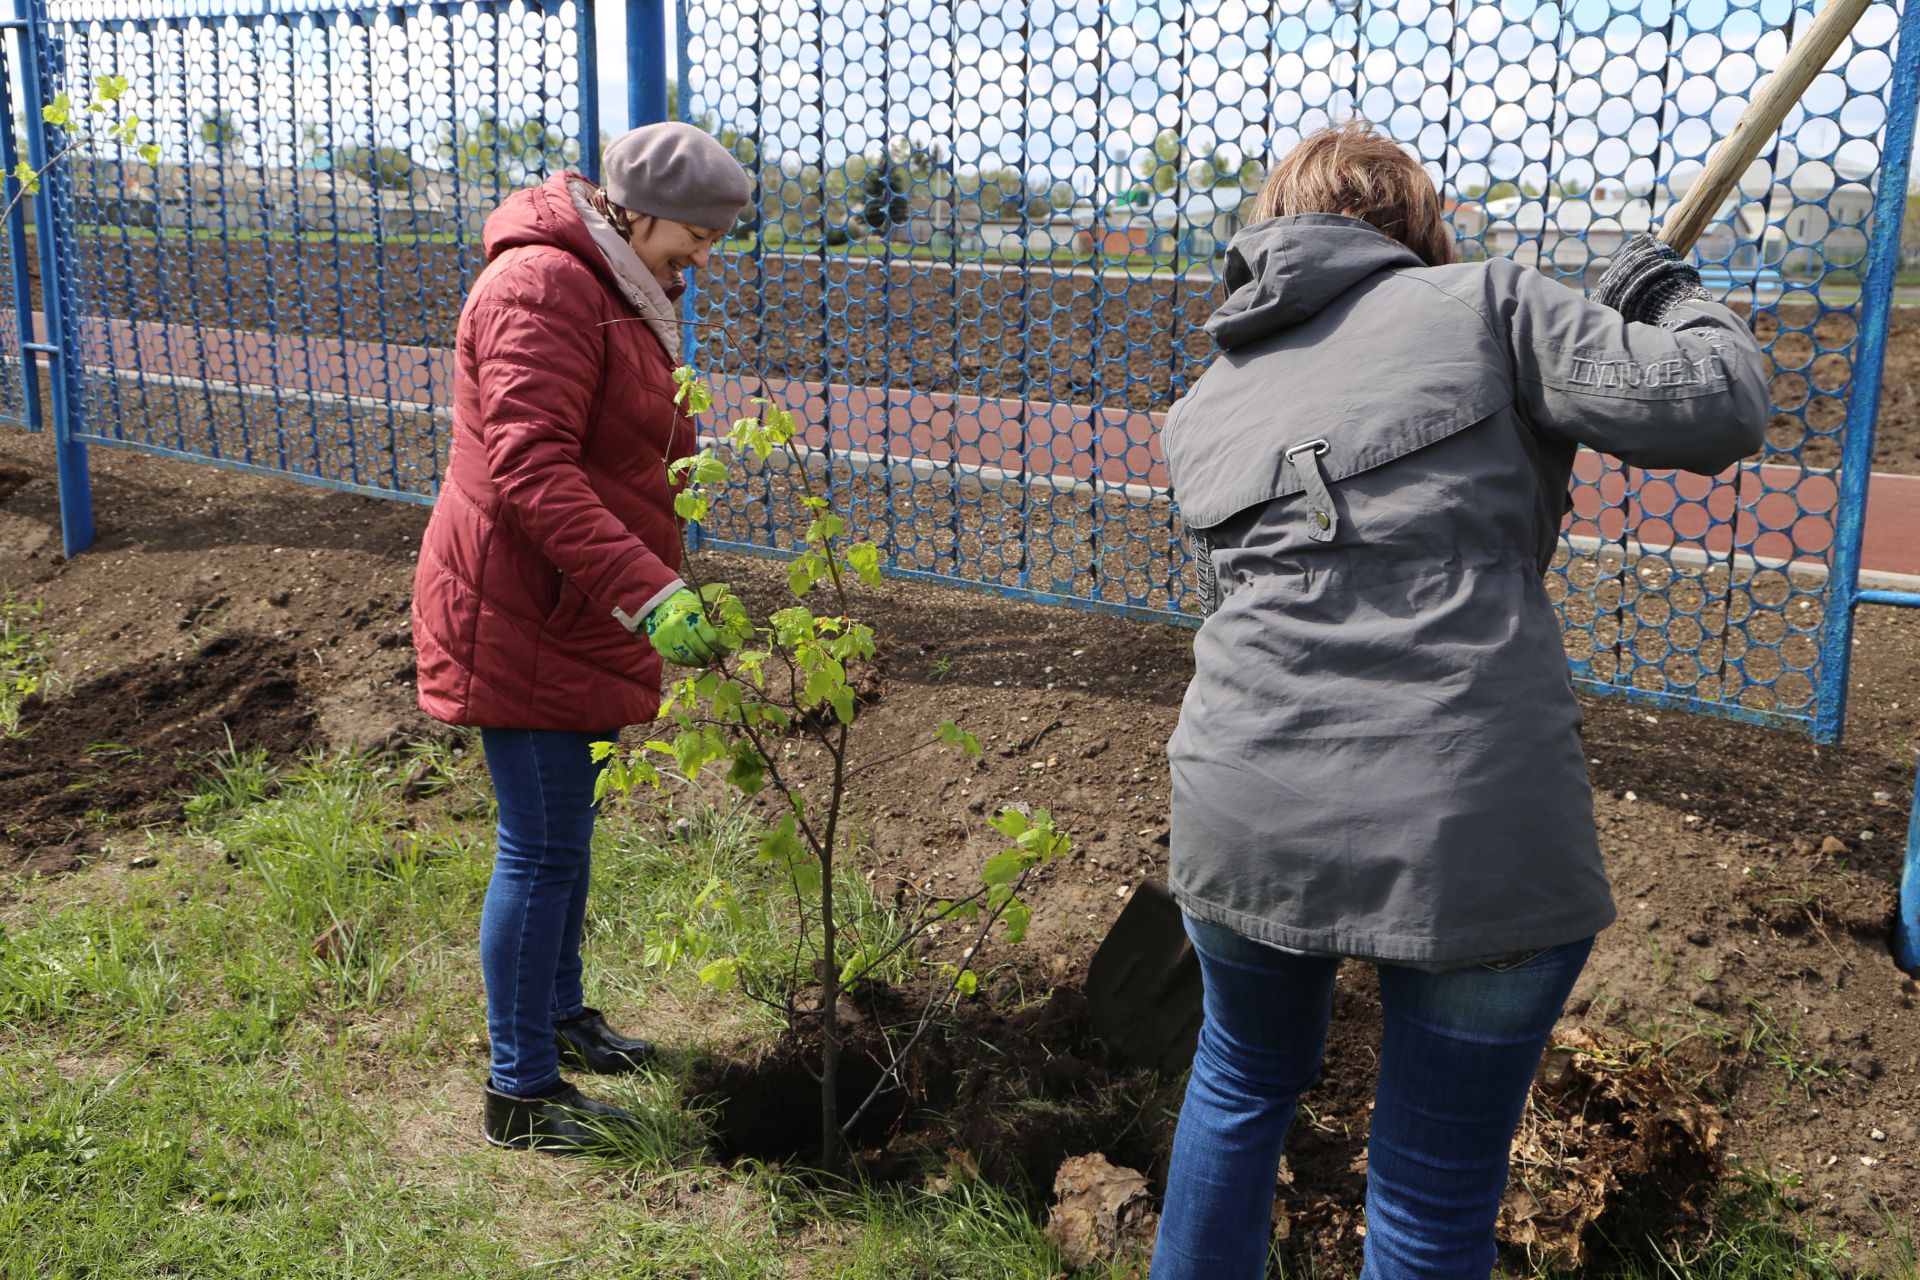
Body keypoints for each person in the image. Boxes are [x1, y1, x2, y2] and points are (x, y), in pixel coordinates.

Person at [1150, 121, 1769, 1278]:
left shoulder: (1204, 402)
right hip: (1468, 819)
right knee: (1431, 1202)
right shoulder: (1490, 303)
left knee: (1237, 1085)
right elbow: (1720, 405)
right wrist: (1669, 295)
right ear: (1417, 228)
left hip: (1242, 804)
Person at [410, 121, 753, 1154]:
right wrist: (648, 592)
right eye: (696, 233)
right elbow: (530, 468)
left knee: (567, 836)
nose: (707, 254)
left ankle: (561, 1017)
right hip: (520, 609)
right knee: (542, 844)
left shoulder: (615, 287)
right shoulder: (543, 288)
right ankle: (520, 1090)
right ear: (636, 211)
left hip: (568, 609)